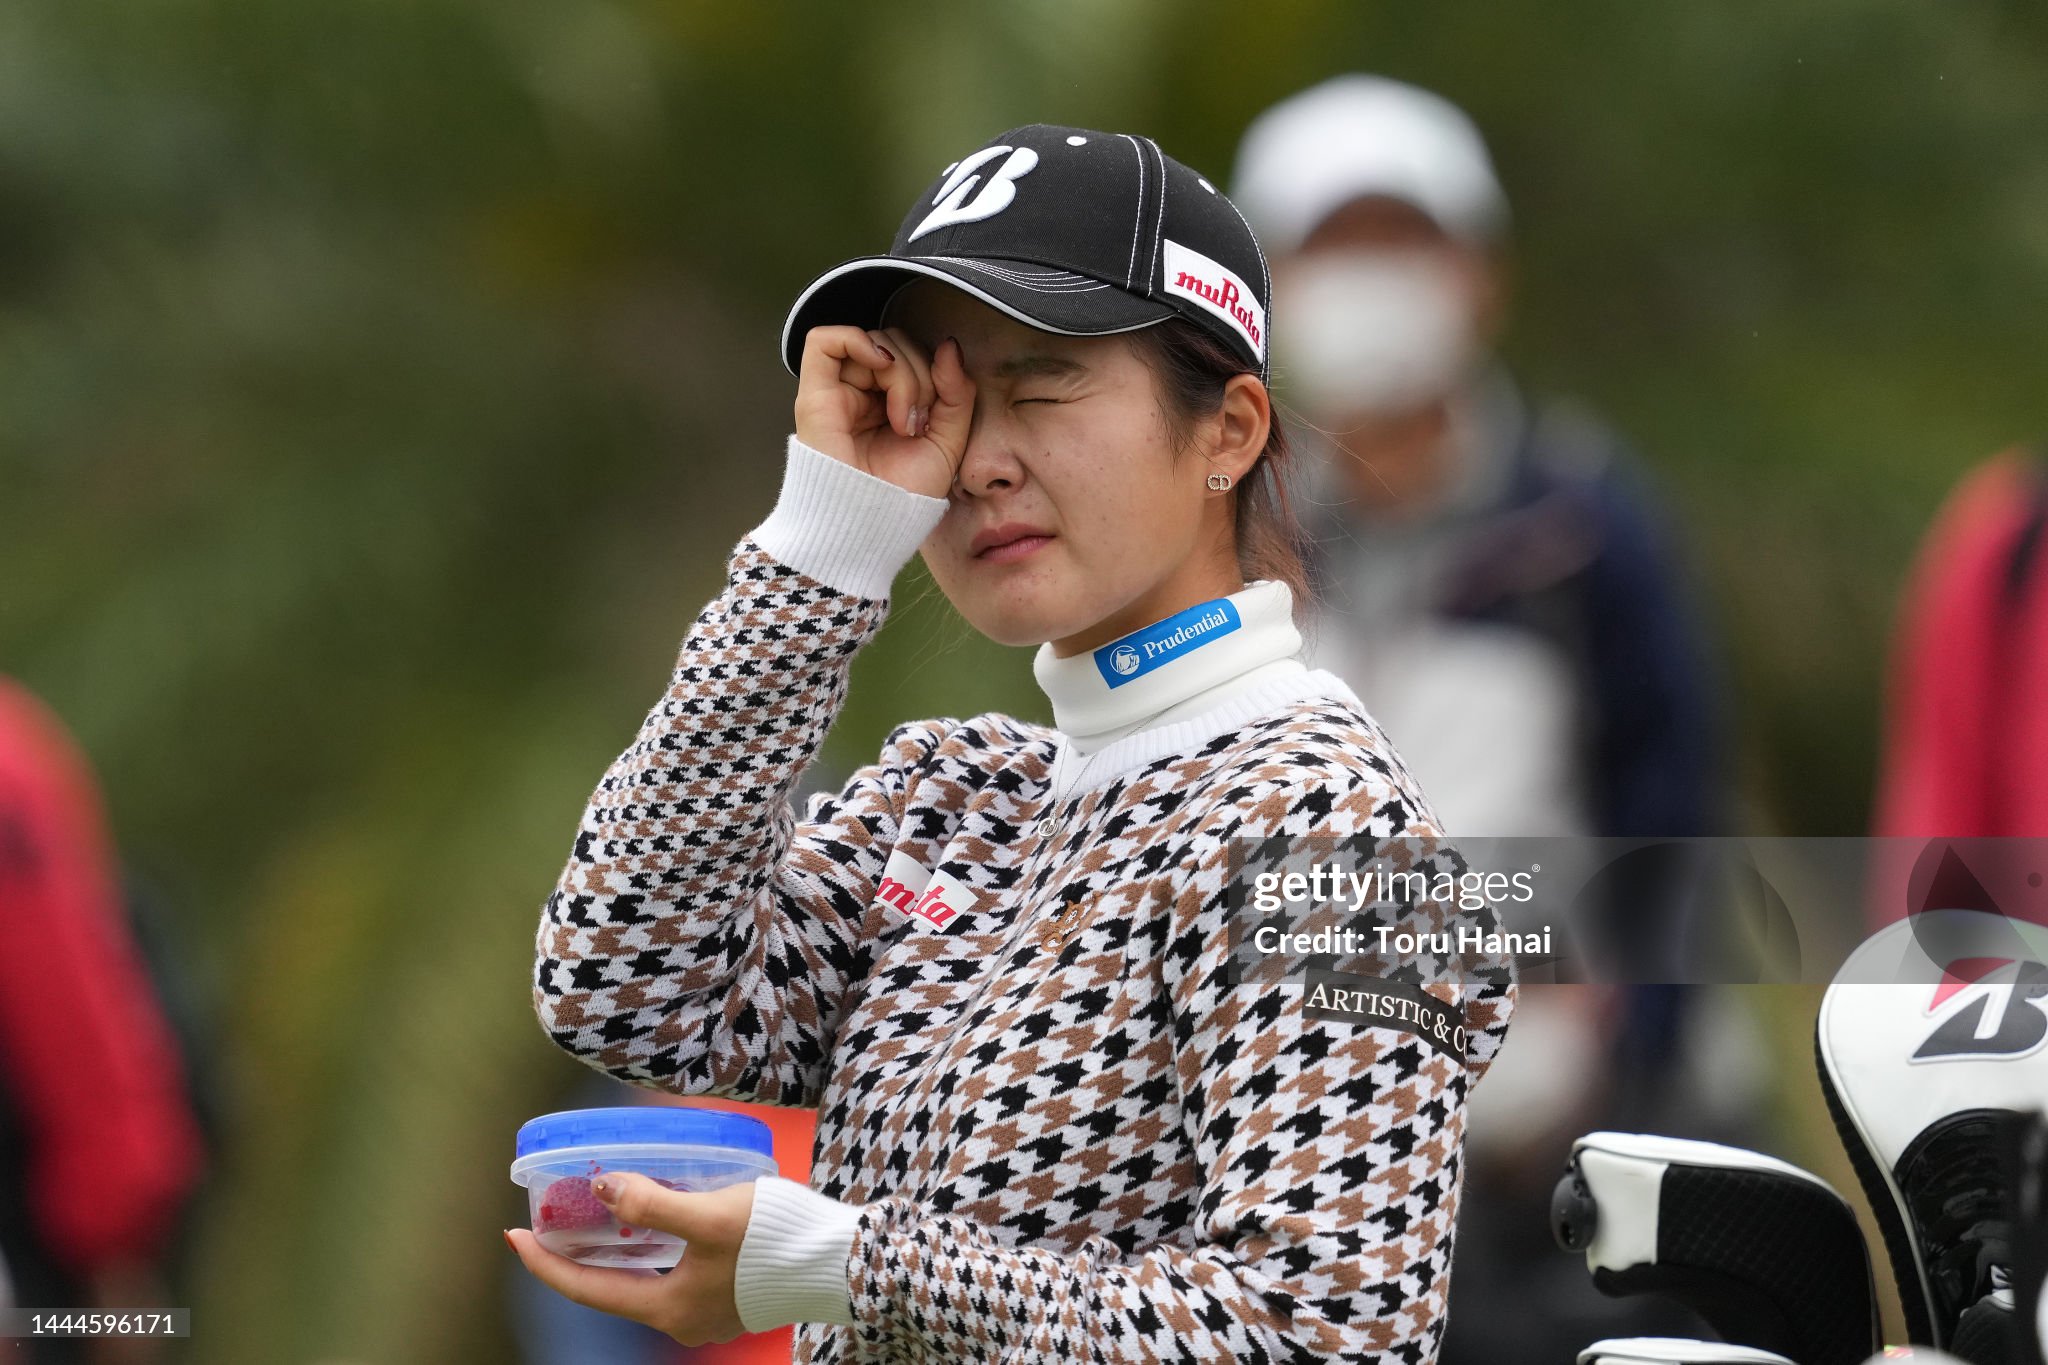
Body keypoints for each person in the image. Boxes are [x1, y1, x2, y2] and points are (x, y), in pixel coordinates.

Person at [509, 123, 1518, 1362]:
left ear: (1229, 430)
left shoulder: (1331, 834)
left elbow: (1320, 1338)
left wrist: (839, 1266)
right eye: (940, 402)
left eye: (1041, 385)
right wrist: (824, 541)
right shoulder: (955, 796)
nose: (977, 461)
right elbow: (625, 986)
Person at [1232, 77, 1734, 1360]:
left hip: (1551, 1189)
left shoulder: (1582, 530)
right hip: (1279, 1195)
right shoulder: (1221, 535)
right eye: (1333, 249)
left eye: (1402, 244)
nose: (1373, 282)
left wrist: (1636, 1082)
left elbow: (1668, 820)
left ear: (1480, 277)